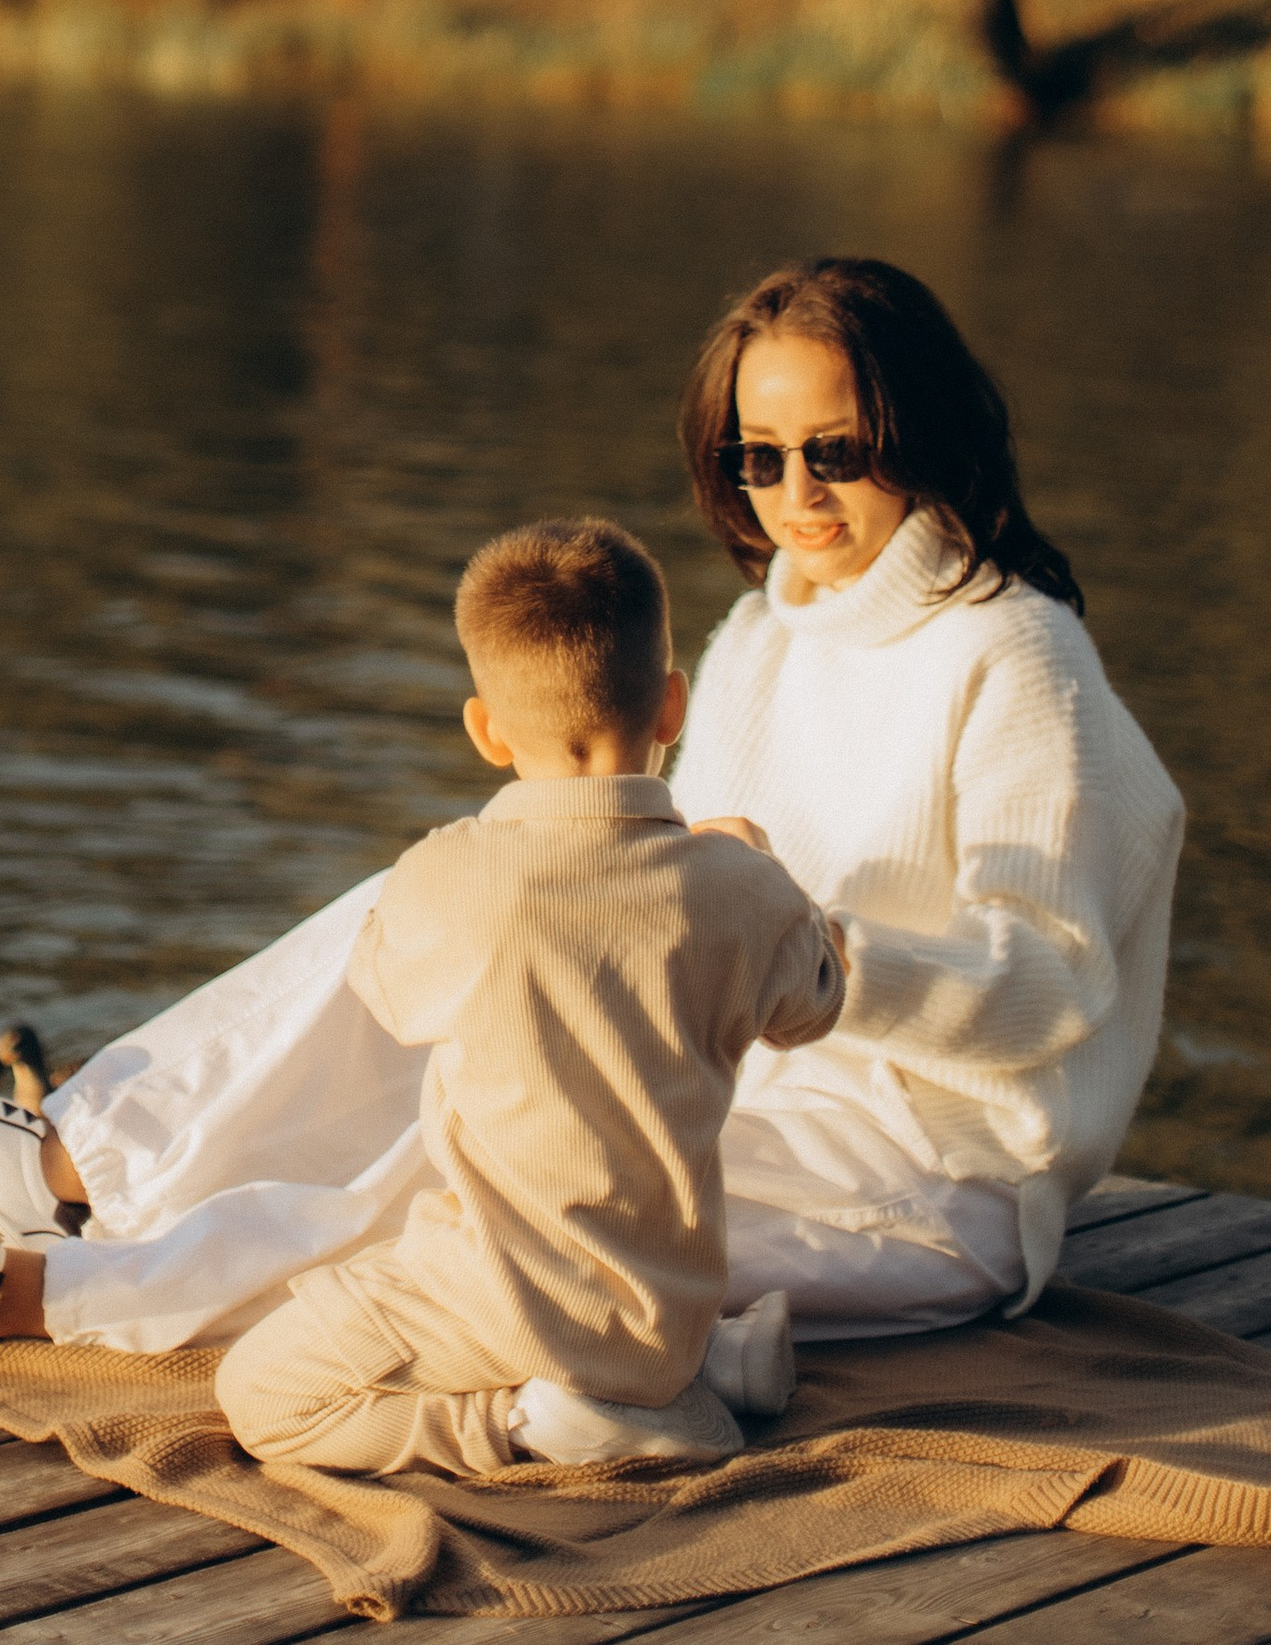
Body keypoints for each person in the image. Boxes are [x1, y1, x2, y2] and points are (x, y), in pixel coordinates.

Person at [0, 255, 1184, 1357]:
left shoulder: (1015, 653)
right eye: (759, 457)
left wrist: (811, 951)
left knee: (495, 1176)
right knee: (431, 909)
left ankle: (22, 1296)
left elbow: (1052, 986)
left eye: (836, 448)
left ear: (917, 432)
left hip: (925, 1174)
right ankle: (53, 1159)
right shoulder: (770, 635)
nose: (797, 496)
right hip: (728, 1074)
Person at [209, 516, 843, 1475]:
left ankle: (526, 1424)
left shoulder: (450, 875)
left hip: (502, 1297)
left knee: (259, 1394)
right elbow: (819, 1006)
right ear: (672, 707)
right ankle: (701, 1367)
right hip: (667, 1307)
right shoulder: (743, 891)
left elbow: (386, 992)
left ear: (486, 729)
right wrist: (766, 875)